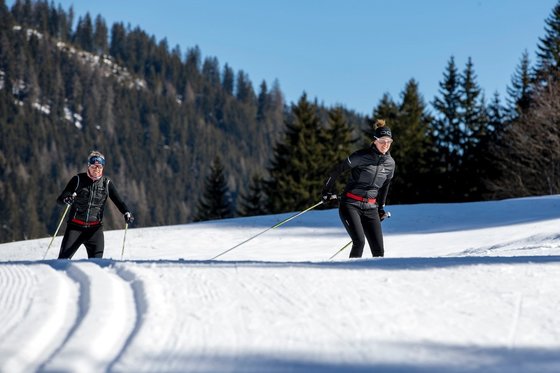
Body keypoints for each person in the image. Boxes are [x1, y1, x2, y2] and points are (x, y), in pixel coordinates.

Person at [321, 119, 395, 258]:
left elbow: (386, 185)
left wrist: (381, 207)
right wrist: (327, 191)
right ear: (375, 141)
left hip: (371, 208)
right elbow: (338, 170)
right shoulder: (361, 156)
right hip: (350, 205)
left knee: (379, 251)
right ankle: (350, 273)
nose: (385, 144)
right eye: (382, 141)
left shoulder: (390, 163)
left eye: (388, 141)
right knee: (359, 241)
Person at [56, 151, 134, 259]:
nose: (96, 170)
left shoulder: (106, 183)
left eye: (99, 167)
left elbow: (119, 201)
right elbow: (61, 199)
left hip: (94, 231)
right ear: (88, 166)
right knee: (62, 261)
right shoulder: (78, 180)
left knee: (97, 265)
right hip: (75, 228)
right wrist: (66, 198)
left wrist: (126, 212)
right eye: (93, 167)